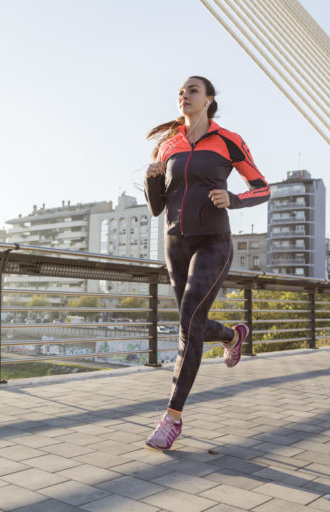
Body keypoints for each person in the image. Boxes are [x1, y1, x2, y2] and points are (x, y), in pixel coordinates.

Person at [143, 76, 270, 451]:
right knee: (191, 320)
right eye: (181, 91)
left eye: (192, 90)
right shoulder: (168, 146)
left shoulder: (228, 140)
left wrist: (233, 199)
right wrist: (151, 181)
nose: (184, 95)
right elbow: (156, 207)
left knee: (187, 321)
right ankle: (232, 335)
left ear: (209, 99)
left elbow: (261, 187)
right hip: (174, 244)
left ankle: (172, 418)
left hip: (213, 242)